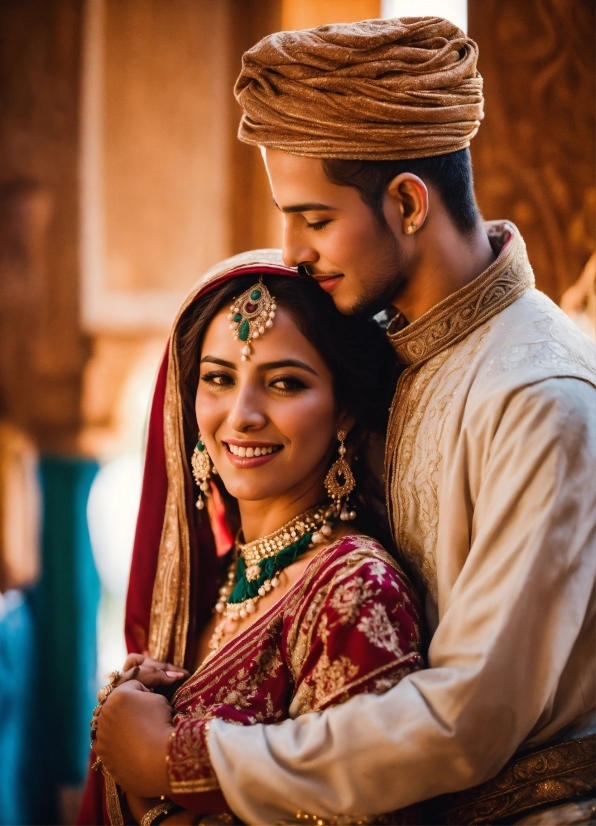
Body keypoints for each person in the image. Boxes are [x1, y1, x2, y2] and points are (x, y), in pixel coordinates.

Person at [85, 17, 595, 826]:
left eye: (313, 219)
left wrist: (187, 758)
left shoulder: (539, 396)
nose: (293, 253)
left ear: (406, 202)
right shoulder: (400, 353)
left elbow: (470, 721)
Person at [80, 252, 425, 825]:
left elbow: (366, 807)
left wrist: (154, 779)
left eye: (285, 383)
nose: (241, 415)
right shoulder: (220, 580)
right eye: (218, 378)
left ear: (343, 411)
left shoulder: (355, 591)